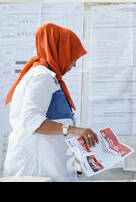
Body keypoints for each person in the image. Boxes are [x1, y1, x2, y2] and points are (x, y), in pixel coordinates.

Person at [3, 23, 99, 181]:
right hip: (35, 169)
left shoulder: (50, 78)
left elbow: (55, 125)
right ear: (61, 51)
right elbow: (31, 120)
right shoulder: (42, 76)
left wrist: (70, 160)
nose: (74, 64)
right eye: (72, 56)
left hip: (51, 165)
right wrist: (76, 130)